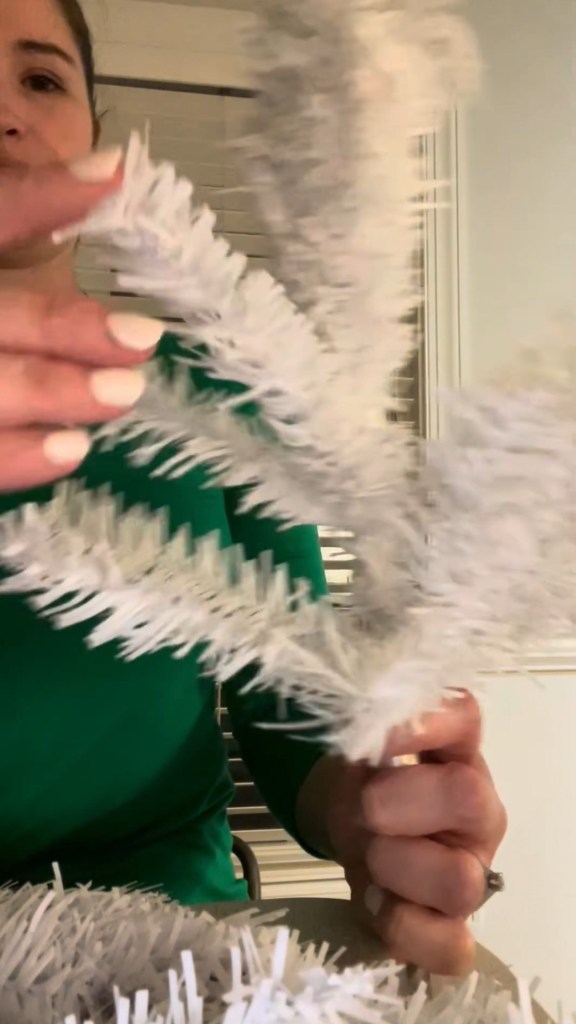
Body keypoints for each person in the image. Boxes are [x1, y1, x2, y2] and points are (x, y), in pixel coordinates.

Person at [0, 0, 507, 978]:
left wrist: (377, 805)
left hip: (169, 950)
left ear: (98, 137)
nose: (4, 112)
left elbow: (290, 709)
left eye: (42, 78)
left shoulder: (218, 397)